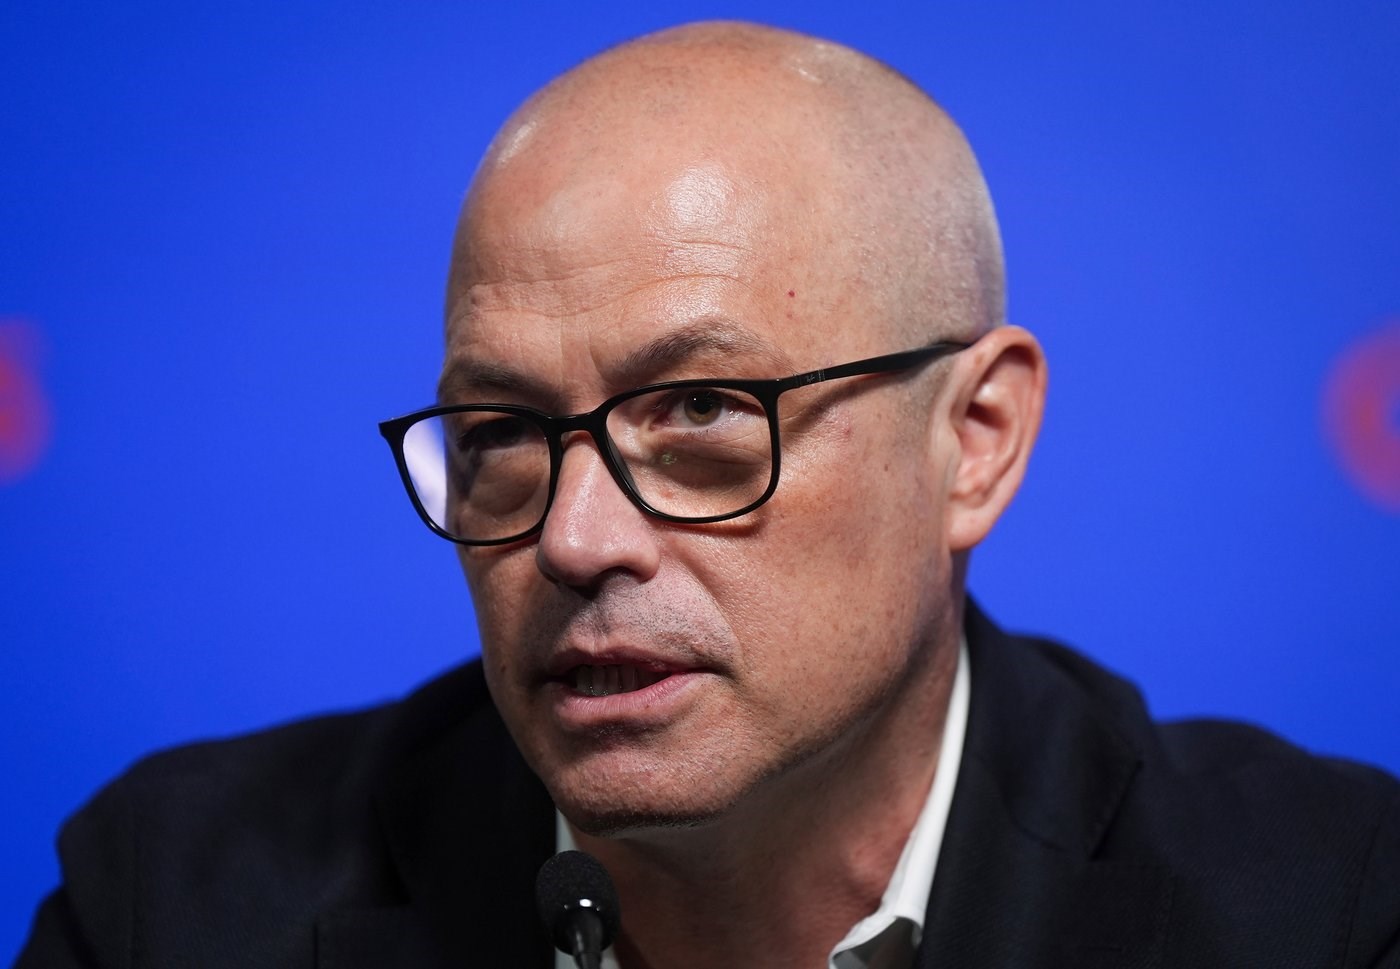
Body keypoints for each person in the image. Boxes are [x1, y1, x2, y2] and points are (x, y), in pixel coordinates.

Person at [17, 21, 1400, 969]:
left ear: (975, 439)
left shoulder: (1328, 909)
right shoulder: (172, 902)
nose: (575, 539)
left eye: (699, 414)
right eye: (502, 430)